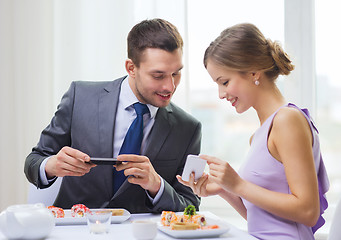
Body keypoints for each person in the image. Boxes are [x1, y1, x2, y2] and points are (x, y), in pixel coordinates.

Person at [25, 18, 202, 213]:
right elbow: (34, 161)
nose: (170, 86)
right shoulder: (80, 96)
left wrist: (157, 185)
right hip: (75, 229)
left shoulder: (188, 128)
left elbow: (190, 205)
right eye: (158, 76)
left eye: (176, 73)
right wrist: (50, 165)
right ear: (131, 68)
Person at [177, 23, 329, 239]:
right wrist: (224, 188)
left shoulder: (287, 120)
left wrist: (238, 184)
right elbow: (263, 219)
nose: (221, 94)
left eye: (225, 82)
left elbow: (307, 211)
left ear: (254, 72)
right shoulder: (260, 134)